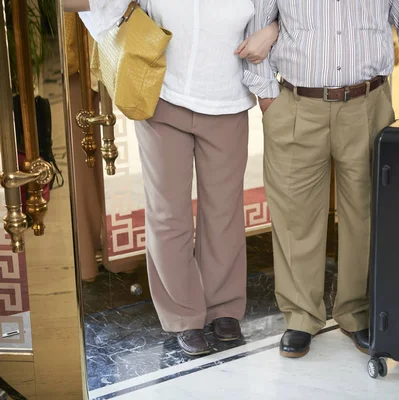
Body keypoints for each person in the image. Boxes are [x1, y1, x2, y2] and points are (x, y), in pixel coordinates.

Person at [71, 0, 279, 356]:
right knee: (168, 213)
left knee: (224, 213)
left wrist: (272, 31)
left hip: (227, 100)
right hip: (162, 98)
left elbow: (288, 14)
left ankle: (224, 308)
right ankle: (183, 316)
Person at [244, 0, 399, 358]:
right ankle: (301, 317)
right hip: (296, 104)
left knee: (366, 214)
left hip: (367, 103)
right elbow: (258, 23)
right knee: (295, 214)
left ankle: (357, 312)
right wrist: (267, 101)